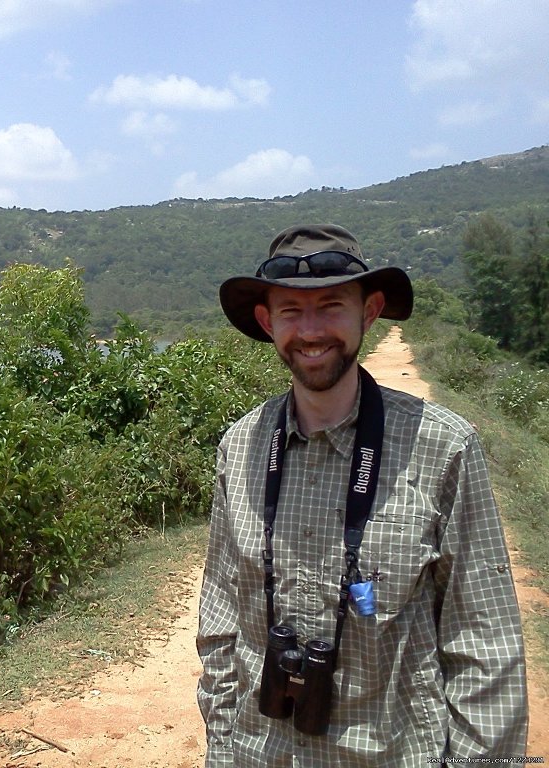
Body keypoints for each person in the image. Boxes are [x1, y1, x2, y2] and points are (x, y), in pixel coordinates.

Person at [196, 223, 528, 766]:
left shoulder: (441, 447)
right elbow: (219, 613)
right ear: (266, 322)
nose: (310, 330)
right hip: (259, 749)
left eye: (330, 306)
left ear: (368, 312)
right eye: (290, 311)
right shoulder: (241, 447)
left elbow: (483, 641)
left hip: (391, 750)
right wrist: (221, 740)